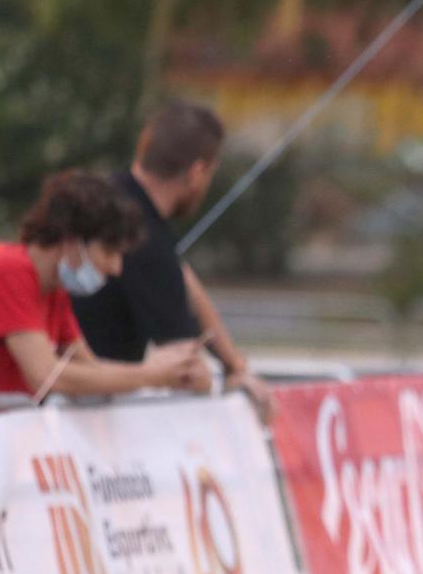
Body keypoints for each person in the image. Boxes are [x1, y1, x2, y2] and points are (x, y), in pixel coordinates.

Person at [0, 170, 209, 399]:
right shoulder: (8, 272)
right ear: (71, 241)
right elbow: (48, 376)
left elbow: (91, 369)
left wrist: (171, 368)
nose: (116, 268)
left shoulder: (53, 292)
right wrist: (152, 375)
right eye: (108, 251)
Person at [71, 99, 274, 416]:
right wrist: (229, 394)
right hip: (83, 408)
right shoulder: (142, 235)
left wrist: (233, 362)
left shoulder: (111, 193)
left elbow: (182, 276)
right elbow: (185, 366)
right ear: (197, 172)